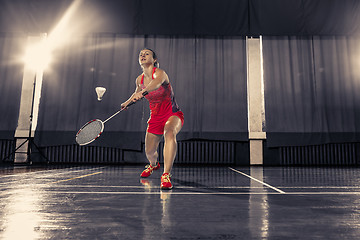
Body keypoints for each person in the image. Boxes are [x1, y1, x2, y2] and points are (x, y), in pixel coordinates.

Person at [121, 48, 184, 190]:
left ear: (154, 59)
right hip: (155, 118)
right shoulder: (139, 79)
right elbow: (136, 93)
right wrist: (127, 103)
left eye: (146, 54)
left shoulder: (160, 73)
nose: (143, 55)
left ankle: (166, 175)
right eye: (140, 54)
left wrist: (142, 93)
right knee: (149, 152)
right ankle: (154, 165)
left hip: (172, 114)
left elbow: (155, 84)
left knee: (169, 132)